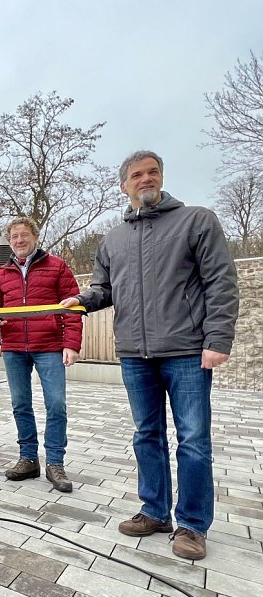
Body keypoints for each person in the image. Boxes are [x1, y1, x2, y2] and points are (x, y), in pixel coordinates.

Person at [61, 151, 238, 560]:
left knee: (193, 440)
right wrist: (82, 300)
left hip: (187, 351)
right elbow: (105, 289)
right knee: (146, 434)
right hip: (135, 355)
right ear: (124, 185)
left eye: (152, 172)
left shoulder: (196, 220)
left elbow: (221, 283)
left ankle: (192, 525)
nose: (145, 179)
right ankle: (155, 511)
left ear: (162, 177)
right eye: (136, 175)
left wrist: (218, 340)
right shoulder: (113, 238)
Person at [0, 217, 82, 493]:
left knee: (56, 405)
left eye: (24, 235)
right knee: (20, 405)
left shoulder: (57, 266)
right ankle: (28, 458)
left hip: (50, 346)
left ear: (35, 237)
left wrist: (71, 343)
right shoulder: (2, 273)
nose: (19, 240)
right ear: (9, 241)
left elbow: (73, 307)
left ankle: (55, 463)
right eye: (14, 236)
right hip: (15, 346)